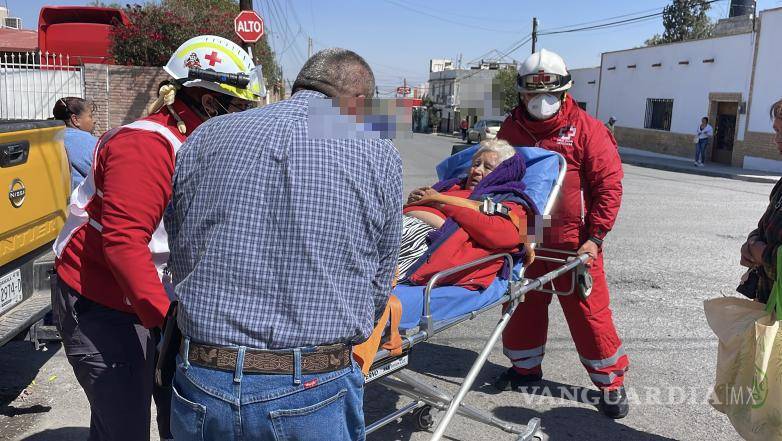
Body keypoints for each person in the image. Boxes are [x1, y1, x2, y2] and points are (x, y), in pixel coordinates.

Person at [165, 48, 401, 441]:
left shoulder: (207, 134)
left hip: (203, 377)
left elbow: (181, 243)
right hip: (311, 385)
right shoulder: (376, 148)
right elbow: (380, 276)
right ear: (359, 101)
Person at [50, 35, 263, 441]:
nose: (244, 117)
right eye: (238, 107)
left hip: (148, 297)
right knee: (125, 426)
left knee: (176, 417)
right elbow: (123, 242)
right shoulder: (146, 145)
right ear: (208, 102)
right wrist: (166, 321)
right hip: (102, 300)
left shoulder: (196, 141)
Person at [493, 48, 629, 419]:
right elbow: (498, 178)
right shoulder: (511, 130)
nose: (541, 101)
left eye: (549, 92)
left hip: (575, 243)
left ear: (565, 91)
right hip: (527, 236)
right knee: (521, 306)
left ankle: (610, 383)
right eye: (532, 93)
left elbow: (608, 187)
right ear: (521, 94)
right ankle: (524, 368)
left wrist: (595, 238)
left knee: (590, 315)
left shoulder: (588, 130)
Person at [399, 139, 533, 288]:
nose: (476, 171)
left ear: (504, 173)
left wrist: (441, 203)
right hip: (400, 228)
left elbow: (504, 237)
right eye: (476, 164)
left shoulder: (514, 202)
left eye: (487, 167)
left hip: (424, 248)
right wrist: (414, 201)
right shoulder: (452, 185)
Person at [739, 99, 782, 303]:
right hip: (769, 305)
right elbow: (764, 227)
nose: (777, 139)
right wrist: (751, 244)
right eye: (777, 131)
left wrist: (762, 253)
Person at [52, 97, 98, 189]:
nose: (94, 120)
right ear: (75, 120)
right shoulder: (91, 144)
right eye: (90, 116)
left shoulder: (49, 139)